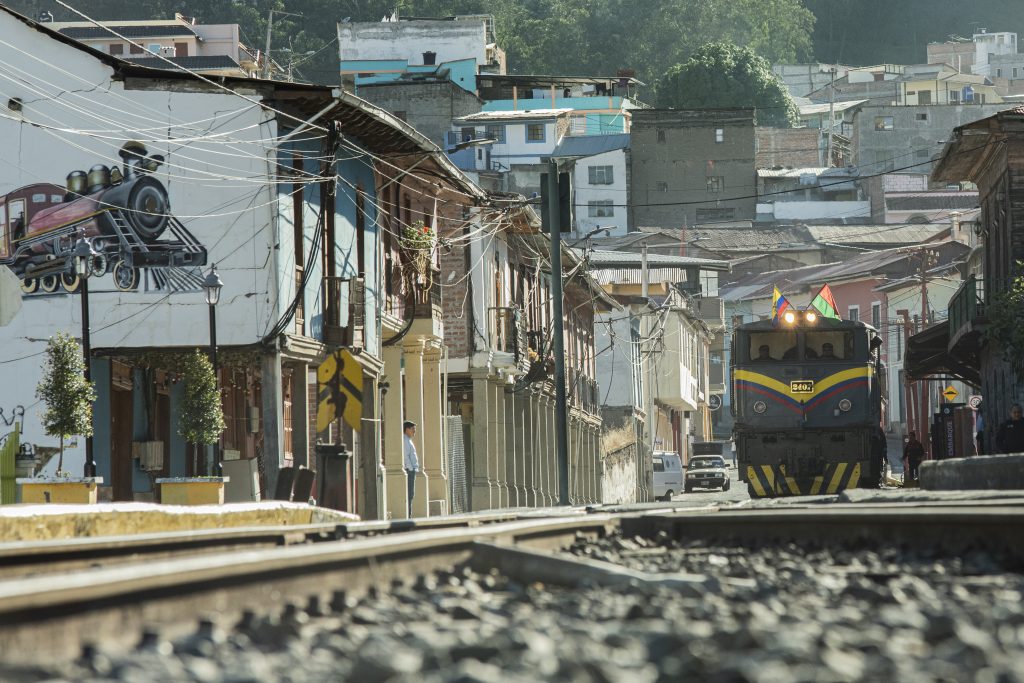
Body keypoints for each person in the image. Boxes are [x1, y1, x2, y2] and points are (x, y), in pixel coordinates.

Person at [403, 420, 419, 516]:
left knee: (411, 494)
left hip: (411, 470)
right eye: (413, 429)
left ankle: (409, 514)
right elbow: (406, 456)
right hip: (409, 471)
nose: (414, 431)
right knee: (409, 494)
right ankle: (408, 515)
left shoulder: (408, 440)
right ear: (407, 429)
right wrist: (411, 469)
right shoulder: (405, 440)